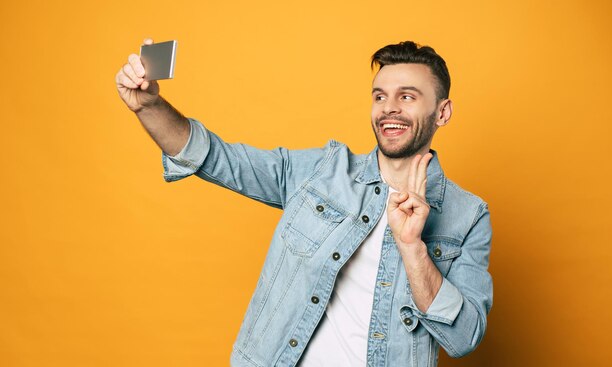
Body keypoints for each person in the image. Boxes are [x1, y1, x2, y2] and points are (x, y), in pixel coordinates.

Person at [116, 39, 493, 367]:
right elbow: (214, 158)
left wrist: (412, 249)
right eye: (380, 96)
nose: (389, 108)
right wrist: (149, 106)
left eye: (407, 96)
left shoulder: (468, 215)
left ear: (442, 112)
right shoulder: (321, 172)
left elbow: (462, 338)